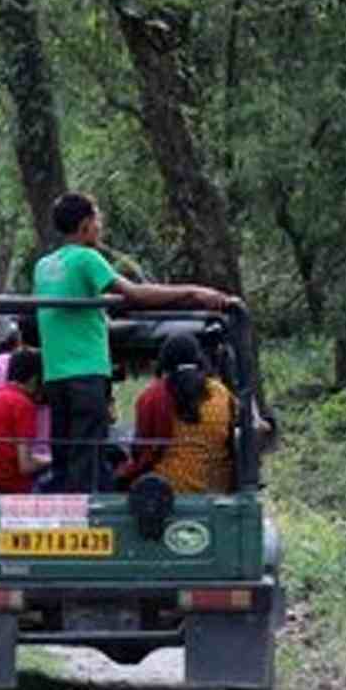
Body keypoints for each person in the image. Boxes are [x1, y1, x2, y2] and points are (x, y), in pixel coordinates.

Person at [34, 191, 240, 492]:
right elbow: (134, 293)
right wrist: (195, 293)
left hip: (55, 373)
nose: (100, 227)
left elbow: (74, 300)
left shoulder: (45, 266)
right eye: (98, 220)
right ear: (86, 225)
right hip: (86, 371)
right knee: (87, 461)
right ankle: (87, 527)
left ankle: (58, 520)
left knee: (64, 455)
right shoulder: (87, 258)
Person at [118, 333, 237, 493]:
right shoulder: (221, 393)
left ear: (165, 362)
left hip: (168, 489)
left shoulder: (153, 395)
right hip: (217, 487)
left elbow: (143, 451)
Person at [0, 349, 50, 493]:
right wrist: (53, 461)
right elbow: (26, 466)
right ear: (35, 379)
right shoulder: (22, 405)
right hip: (17, 488)